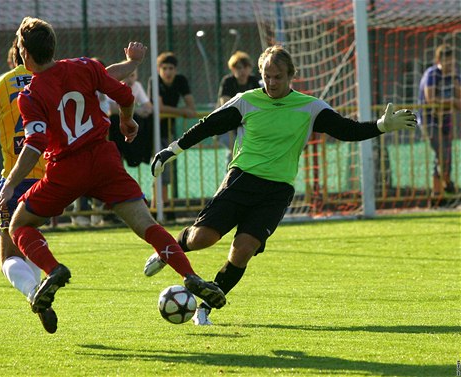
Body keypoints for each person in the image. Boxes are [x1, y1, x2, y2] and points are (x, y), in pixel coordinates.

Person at [145, 45, 418, 325]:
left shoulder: (310, 107)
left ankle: (204, 309)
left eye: (277, 77)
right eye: (267, 76)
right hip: (241, 179)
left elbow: (346, 130)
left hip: (277, 191)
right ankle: (168, 251)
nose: (271, 82)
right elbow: (208, 125)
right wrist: (171, 151)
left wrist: (381, 126)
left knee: (243, 250)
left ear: (291, 76)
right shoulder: (246, 101)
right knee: (202, 239)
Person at [0, 17, 225, 322]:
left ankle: (54, 269)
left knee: (19, 225)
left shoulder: (30, 95)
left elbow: (35, 144)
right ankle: (190, 275)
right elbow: (124, 94)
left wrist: (10, 184)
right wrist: (127, 120)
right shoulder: (83, 66)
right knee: (147, 225)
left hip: (66, 169)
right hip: (103, 159)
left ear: (25, 54)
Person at [0, 36, 152, 333]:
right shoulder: (61, 75)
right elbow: (105, 75)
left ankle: (35, 292)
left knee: (9, 254)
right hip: (55, 174)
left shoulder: (1, 86)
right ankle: (41, 289)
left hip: (18, 176)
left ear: (17, 57)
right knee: (28, 240)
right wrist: (133, 63)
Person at [148, 52, 197, 219]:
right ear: (158, 69)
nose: (168, 72)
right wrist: (182, 112)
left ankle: (162, 208)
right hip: (151, 130)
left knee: (166, 168)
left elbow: (192, 108)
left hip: (169, 131)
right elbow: (159, 107)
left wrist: (184, 111)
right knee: (158, 168)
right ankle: (159, 208)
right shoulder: (154, 81)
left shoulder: (181, 81)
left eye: (171, 68)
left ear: (176, 70)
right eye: (164, 68)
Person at [418, 43, 460, 197]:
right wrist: (452, 102)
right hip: (429, 120)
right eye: (446, 62)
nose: (450, 65)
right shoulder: (432, 74)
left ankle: (438, 194)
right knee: (441, 151)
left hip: (446, 119)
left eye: (452, 61)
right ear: (438, 60)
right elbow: (430, 99)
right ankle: (447, 183)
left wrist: (456, 85)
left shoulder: (455, 76)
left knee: (444, 154)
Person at [216, 50, 262, 167]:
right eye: (239, 68)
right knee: (234, 153)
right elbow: (226, 105)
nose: (242, 71)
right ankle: (230, 178)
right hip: (228, 126)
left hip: (247, 124)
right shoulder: (228, 81)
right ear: (233, 69)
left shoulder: (253, 81)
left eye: (246, 67)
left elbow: (259, 103)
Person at [109, 68, 154, 167]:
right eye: (126, 76)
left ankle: (141, 155)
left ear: (136, 76)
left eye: (132, 75)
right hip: (115, 128)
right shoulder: (113, 85)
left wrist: (134, 112)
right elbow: (112, 109)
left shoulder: (137, 86)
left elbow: (148, 107)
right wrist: (136, 111)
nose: (129, 79)